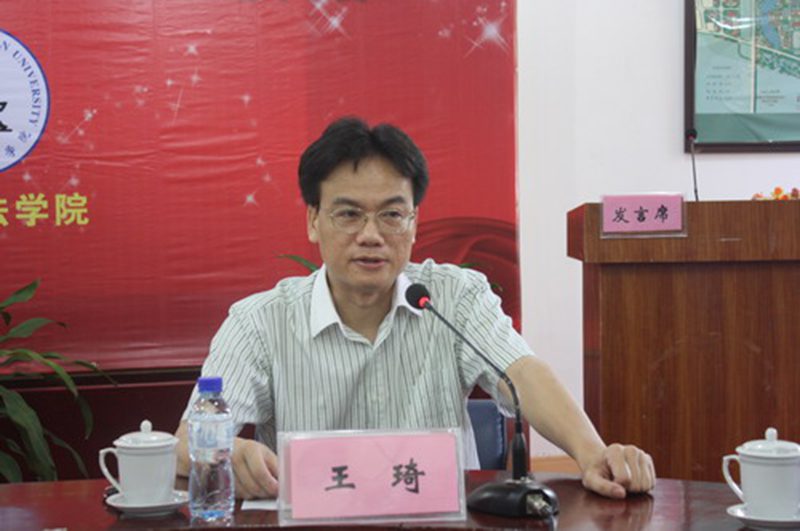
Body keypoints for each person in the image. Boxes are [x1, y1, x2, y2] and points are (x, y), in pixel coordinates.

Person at [175, 116, 656, 500]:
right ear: (313, 221)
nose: (370, 235)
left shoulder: (454, 297)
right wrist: (229, 451)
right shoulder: (260, 322)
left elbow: (520, 372)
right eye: (348, 214)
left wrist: (592, 452)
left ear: (414, 222)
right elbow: (185, 441)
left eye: (391, 214)